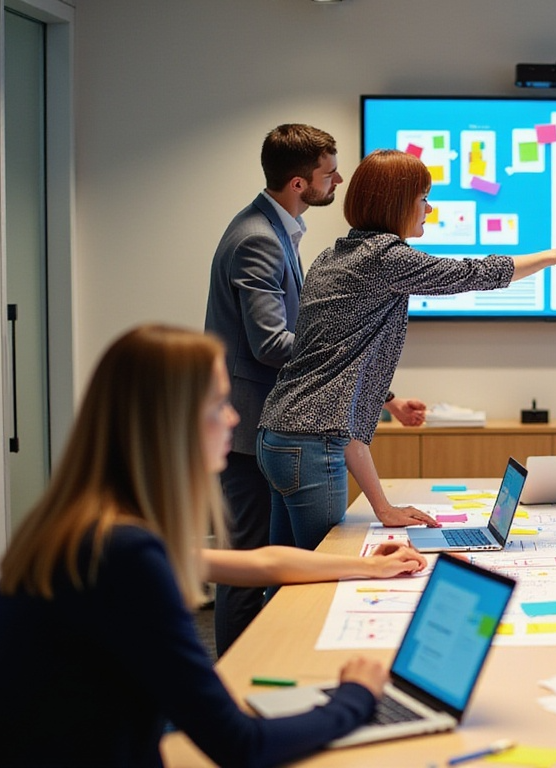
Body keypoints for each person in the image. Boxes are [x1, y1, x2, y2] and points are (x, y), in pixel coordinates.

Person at [0, 325, 419, 767]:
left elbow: (260, 564)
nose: (234, 418)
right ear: (169, 423)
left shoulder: (88, 524)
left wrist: (370, 569)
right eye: (218, 404)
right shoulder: (123, 553)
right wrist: (356, 698)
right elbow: (240, 745)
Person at [258, 149, 556, 550]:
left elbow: (333, 378)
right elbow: (472, 274)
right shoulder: (383, 257)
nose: (429, 209)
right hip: (312, 444)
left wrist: (383, 502)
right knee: (323, 576)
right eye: (423, 199)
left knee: (288, 578)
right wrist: (552, 256)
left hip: (280, 435)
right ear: (397, 203)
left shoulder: (334, 255)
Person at [204, 124, 428, 655]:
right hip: (258, 425)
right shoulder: (258, 237)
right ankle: (236, 672)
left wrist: (385, 395)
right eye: (330, 172)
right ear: (301, 183)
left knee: (277, 563)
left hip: (278, 420)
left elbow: (326, 342)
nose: (340, 180)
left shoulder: (284, 231)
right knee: (254, 564)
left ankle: (261, 662)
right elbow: (272, 344)